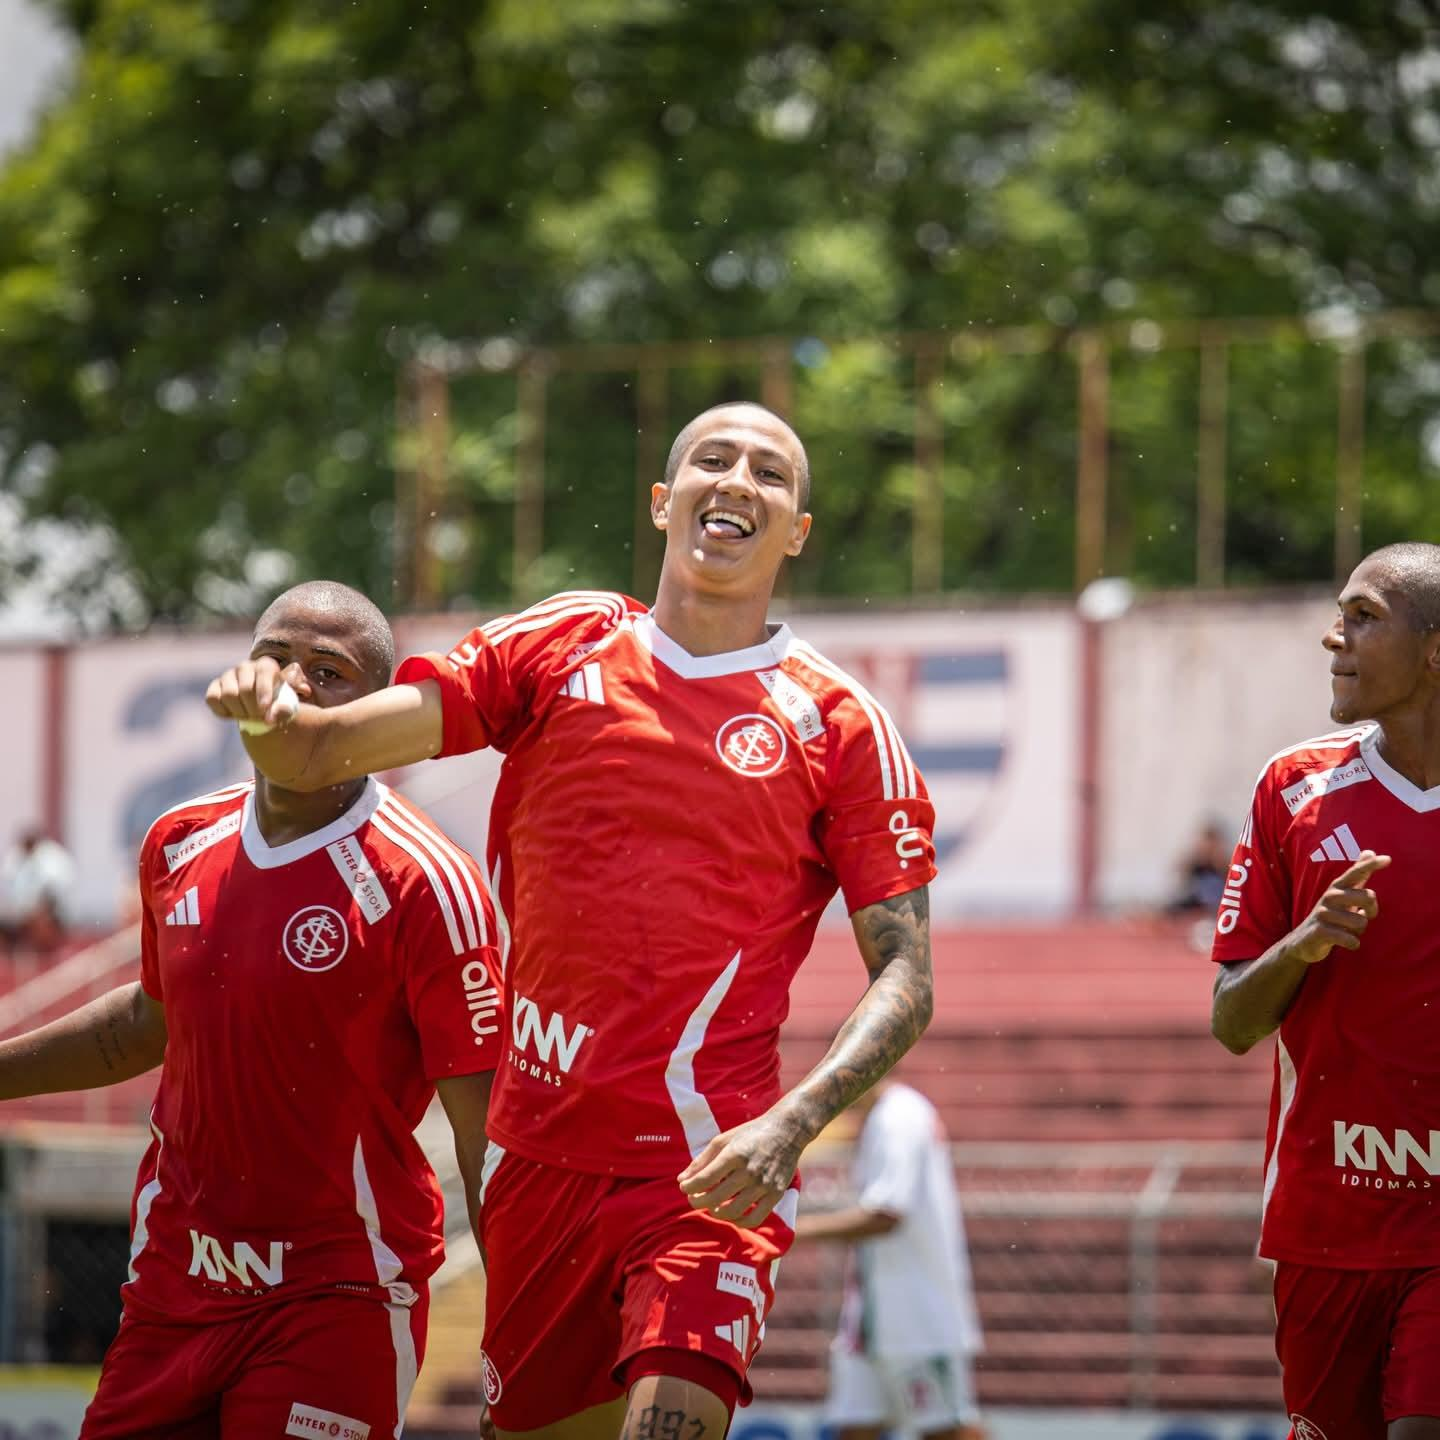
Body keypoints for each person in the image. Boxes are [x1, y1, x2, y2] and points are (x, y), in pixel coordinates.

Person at [205, 403, 937, 1440]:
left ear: (798, 529)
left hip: (704, 1175)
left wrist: (789, 1126)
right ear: (662, 500)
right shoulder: (566, 641)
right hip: (535, 1162)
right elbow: (318, 754)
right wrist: (267, 714)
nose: (735, 482)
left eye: (768, 474)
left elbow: (908, 980)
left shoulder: (840, 722)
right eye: (711, 461)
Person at [0, 581, 502, 1440]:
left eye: (329, 671)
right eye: (274, 657)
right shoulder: (178, 839)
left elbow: (484, 1136)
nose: (292, 683)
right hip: (173, 1289)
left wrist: (517, 1343)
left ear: (376, 714)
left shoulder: (427, 883)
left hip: (335, 1295)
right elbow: (143, 1025)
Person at [1211, 541, 1440, 1440]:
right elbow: (1233, 1022)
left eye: (1363, 616)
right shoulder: (1295, 790)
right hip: (1326, 1220)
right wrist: (1302, 946)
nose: (1332, 637)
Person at [795, 1081, 985, 1440]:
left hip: (917, 1315)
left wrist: (792, 1232)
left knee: (946, 1428)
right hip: (871, 1316)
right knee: (855, 1428)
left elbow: (887, 1212)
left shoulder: (900, 1116)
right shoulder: (880, 1117)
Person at [0, 824, 76, 959]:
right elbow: (10, 887)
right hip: (23, 913)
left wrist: (37, 910)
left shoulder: (53, 857)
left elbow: (55, 891)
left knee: (40, 922)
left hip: (52, 913)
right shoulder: (16, 856)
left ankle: (46, 956)